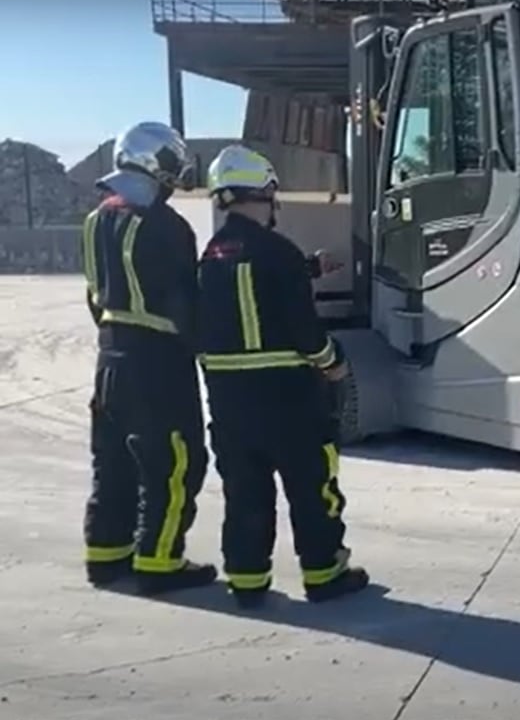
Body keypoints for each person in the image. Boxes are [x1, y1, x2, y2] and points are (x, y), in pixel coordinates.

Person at [196, 144, 369, 607]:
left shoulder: (209, 257)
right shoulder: (280, 251)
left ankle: (248, 582)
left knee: (245, 493)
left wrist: (306, 269)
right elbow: (304, 332)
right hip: (289, 399)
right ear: (266, 193)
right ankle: (323, 573)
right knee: (312, 487)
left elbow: (244, 293)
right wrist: (334, 364)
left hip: (229, 403)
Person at [81, 121, 217, 594]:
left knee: (113, 461)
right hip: (157, 362)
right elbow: (183, 300)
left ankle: (105, 555)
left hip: (109, 358)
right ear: (159, 165)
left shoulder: (96, 218)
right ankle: (159, 562)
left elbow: (94, 295)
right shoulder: (165, 224)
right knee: (175, 462)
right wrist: (205, 350)